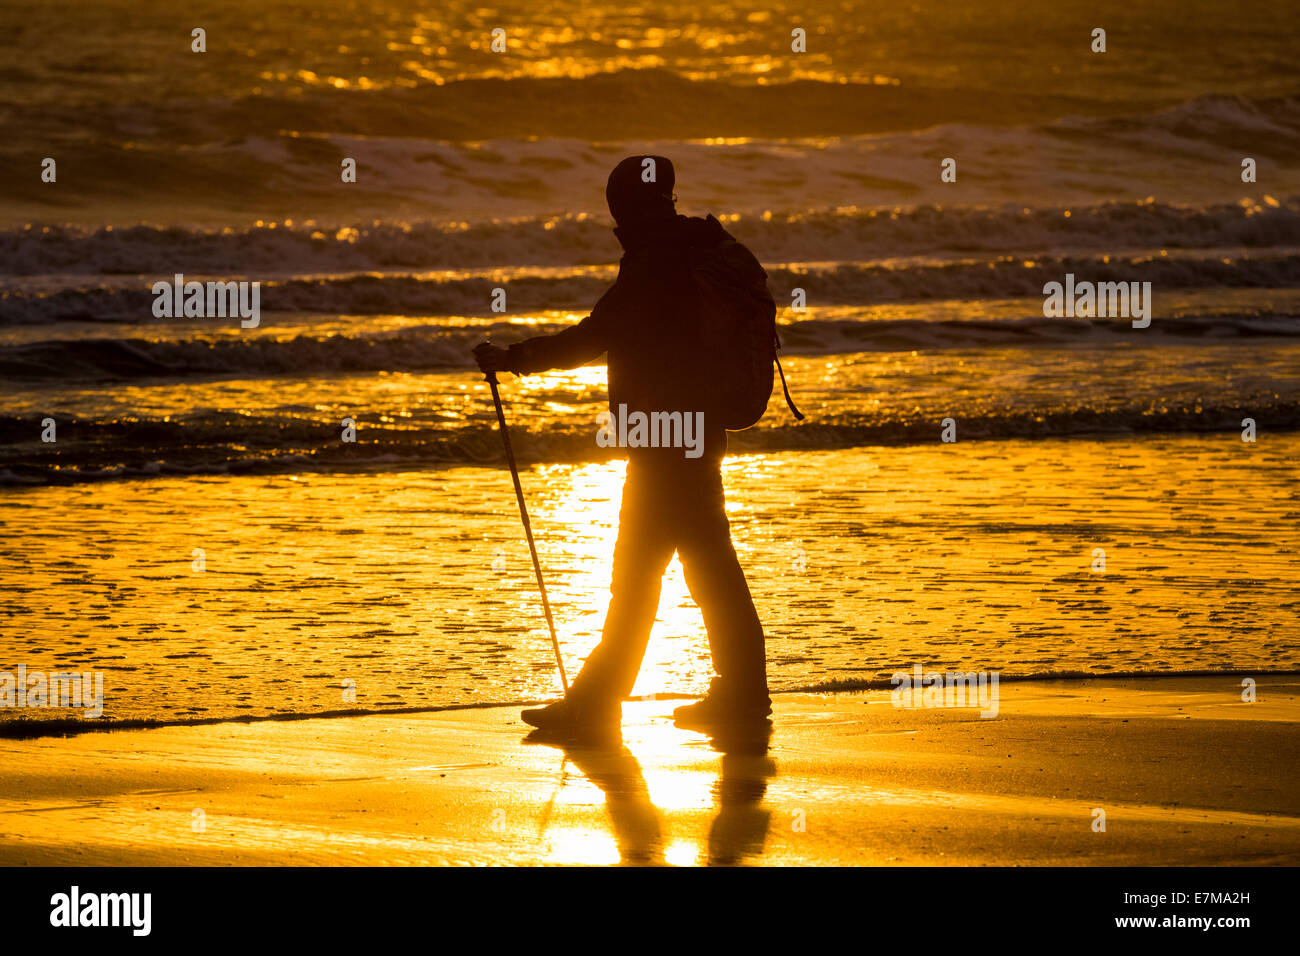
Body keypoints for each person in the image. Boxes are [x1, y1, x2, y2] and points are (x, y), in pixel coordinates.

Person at [474, 155, 772, 736]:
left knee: (641, 575)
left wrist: (515, 360)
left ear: (625, 205)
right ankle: (736, 695)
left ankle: (597, 707)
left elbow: (597, 335)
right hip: (695, 432)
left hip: (665, 439)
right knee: (707, 569)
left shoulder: (657, 260)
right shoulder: (692, 248)